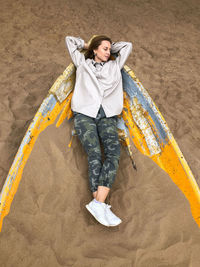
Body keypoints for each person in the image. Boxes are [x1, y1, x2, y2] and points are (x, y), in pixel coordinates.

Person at [65, 35, 132, 227]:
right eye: (104, 49)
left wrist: (109, 47)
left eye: (110, 49)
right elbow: (69, 40)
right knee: (94, 154)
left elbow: (127, 45)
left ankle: (98, 203)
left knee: (113, 152)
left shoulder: (115, 65)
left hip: (108, 114)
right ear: (95, 50)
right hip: (85, 113)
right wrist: (89, 44)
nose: (108, 52)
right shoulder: (82, 62)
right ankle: (99, 205)